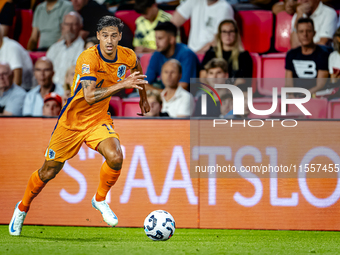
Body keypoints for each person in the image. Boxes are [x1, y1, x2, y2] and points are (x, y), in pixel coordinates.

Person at [9, 15, 150, 236]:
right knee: (48, 171)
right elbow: (90, 96)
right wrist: (124, 84)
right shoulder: (88, 58)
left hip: (98, 119)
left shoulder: (127, 55)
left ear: (120, 36)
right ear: (98, 37)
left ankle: (100, 199)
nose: (110, 40)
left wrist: (143, 97)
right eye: (105, 36)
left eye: (114, 35)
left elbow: (138, 67)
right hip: (71, 122)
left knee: (116, 156)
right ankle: (22, 208)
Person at [146, 21, 199, 90]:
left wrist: (163, 95)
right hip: (165, 93)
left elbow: (183, 86)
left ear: (172, 39)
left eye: (160, 38)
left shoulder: (187, 54)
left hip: (190, 95)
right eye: (155, 38)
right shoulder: (157, 54)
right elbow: (144, 84)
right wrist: (162, 94)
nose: (156, 42)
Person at [285, 18, 329, 95]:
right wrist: (291, 95)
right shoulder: (291, 54)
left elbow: (320, 85)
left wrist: (303, 96)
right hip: (296, 97)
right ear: (297, 34)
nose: (305, 35)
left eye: (308, 31)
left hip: (315, 96)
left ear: (314, 33)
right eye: (301, 31)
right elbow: (288, 83)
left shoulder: (323, 54)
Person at [46, 11, 85, 86]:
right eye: (67, 24)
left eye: (73, 25)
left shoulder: (84, 49)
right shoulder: (54, 48)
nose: (69, 29)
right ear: (62, 26)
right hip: (51, 89)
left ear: (80, 26)